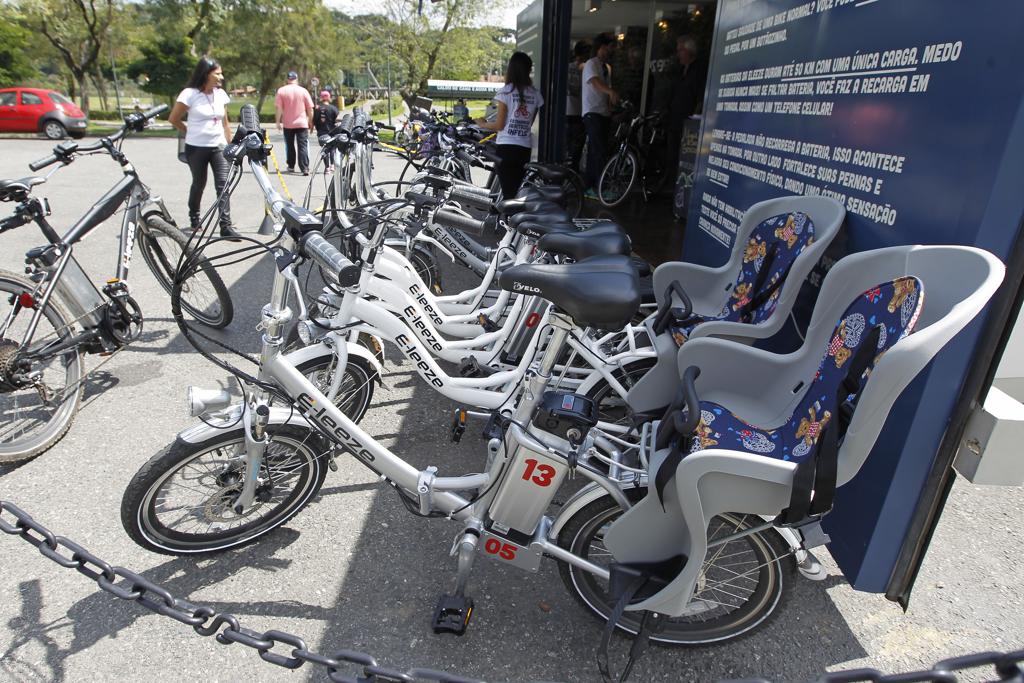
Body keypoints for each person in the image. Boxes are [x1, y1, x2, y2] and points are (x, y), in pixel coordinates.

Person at [168, 56, 239, 239]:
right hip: (196, 147)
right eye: (217, 73)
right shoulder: (189, 94)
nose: (221, 77)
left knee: (223, 185)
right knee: (199, 184)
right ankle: (194, 218)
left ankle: (226, 225)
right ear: (206, 74)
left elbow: (225, 123)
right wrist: (188, 131)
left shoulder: (220, 94)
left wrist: (230, 144)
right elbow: (174, 119)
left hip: (218, 146)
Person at [474, 51, 544, 201]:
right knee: (516, 190)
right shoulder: (535, 94)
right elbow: (529, 123)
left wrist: (483, 124)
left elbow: (499, 125)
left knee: (508, 194)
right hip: (524, 148)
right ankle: (513, 220)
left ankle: (509, 222)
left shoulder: (506, 92)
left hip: (506, 147)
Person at [664, 35, 708, 183]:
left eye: (680, 51)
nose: (678, 54)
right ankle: (671, 184)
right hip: (675, 121)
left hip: (689, 124)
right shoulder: (681, 71)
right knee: (672, 156)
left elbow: (700, 96)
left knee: (684, 159)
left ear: (689, 51)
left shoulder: (699, 70)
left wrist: (695, 116)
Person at [582, 32, 621, 198]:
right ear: (600, 48)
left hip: (603, 113)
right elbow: (595, 82)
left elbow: (604, 89)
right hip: (593, 112)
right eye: (607, 48)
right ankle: (600, 188)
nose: (609, 52)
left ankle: (589, 187)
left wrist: (610, 105)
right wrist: (611, 91)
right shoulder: (592, 64)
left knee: (594, 151)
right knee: (599, 151)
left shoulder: (606, 67)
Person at [275, 70, 314, 175]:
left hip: (288, 123)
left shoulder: (281, 91)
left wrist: (278, 122)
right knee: (302, 145)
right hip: (302, 123)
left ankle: (291, 166)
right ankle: (304, 168)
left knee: (290, 145)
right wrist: (311, 121)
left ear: (287, 79)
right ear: (296, 79)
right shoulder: (303, 91)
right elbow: (310, 108)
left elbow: (279, 108)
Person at [566, 40, 590, 173]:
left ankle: (566, 171)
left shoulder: (566, 68)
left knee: (567, 145)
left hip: (566, 112)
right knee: (576, 147)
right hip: (579, 111)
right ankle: (573, 172)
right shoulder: (586, 69)